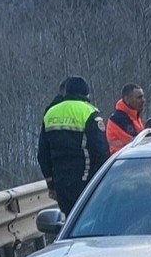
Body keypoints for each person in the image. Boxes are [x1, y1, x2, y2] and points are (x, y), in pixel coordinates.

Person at [37, 76, 109, 215]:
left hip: (61, 184)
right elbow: (101, 151)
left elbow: (42, 154)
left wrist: (52, 184)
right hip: (86, 183)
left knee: (69, 221)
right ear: (86, 93)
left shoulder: (50, 114)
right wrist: (101, 182)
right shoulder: (89, 112)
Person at [106, 83, 146, 154]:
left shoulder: (134, 115)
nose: (143, 100)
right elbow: (136, 143)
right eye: (139, 98)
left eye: (143, 97)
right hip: (121, 161)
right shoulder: (118, 119)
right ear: (127, 99)